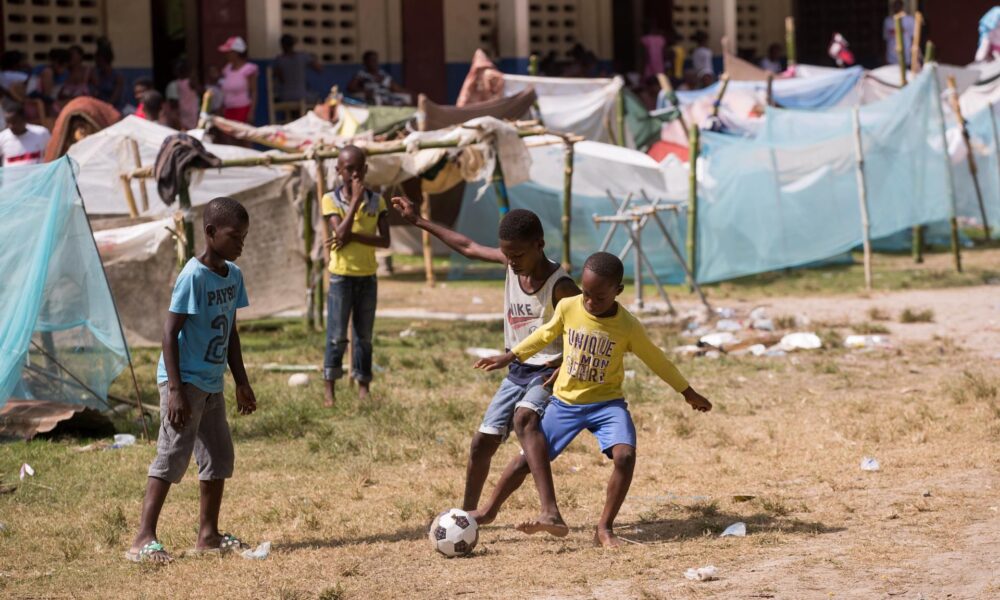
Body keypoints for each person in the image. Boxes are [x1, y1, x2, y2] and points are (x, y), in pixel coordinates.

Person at [472, 252, 712, 548]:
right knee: (526, 460)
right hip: (565, 403)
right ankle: (487, 510)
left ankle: (604, 528)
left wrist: (687, 391)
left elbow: (656, 359)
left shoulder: (628, 326)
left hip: (606, 404)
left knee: (625, 456)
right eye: (585, 293)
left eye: (599, 297)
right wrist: (509, 356)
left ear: (617, 291)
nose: (589, 301)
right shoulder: (569, 306)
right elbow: (544, 334)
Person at [391, 198, 580, 535]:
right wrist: (418, 220)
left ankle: (550, 511)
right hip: (518, 369)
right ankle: (466, 517)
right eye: (507, 255)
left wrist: (564, 366)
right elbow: (467, 246)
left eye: (518, 255)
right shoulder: (512, 264)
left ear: (539, 245)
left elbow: (582, 329)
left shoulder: (561, 286)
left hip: (548, 371)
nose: (511, 262)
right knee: (481, 443)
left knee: (525, 420)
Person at [126, 197, 257, 563]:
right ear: (211, 233)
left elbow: (230, 330)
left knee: (218, 456)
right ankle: (142, 537)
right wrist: (176, 392)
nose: (240, 245)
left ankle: (208, 535)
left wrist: (241, 381)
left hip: (212, 382)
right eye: (234, 236)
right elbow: (169, 334)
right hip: (183, 384)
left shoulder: (234, 275)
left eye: (244, 238)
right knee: (172, 456)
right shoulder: (192, 276)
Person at [321, 145, 390, 406]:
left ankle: (363, 386)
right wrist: (356, 202)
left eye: (357, 168)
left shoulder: (378, 201)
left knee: (364, 336)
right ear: (338, 170)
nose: (352, 174)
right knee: (337, 334)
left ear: (365, 169)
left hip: (367, 277)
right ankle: (330, 387)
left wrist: (351, 236)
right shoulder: (331, 199)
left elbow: (384, 240)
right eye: (347, 168)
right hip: (341, 277)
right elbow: (338, 234)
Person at [218, 36, 258, 123]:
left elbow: (254, 92)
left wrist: (251, 112)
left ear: (236, 53)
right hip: (228, 110)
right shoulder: (227, 69)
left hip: (243, 110)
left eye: (229, 52)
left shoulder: (249, 69)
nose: (226, 54)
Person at [273, 34, 320, 104]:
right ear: (293, 44)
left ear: (282, 45)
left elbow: (280, 79)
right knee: (316, 98)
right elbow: (319, 68)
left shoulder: (279, 60)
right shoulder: (302, 57)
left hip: (285, 96)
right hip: (302, 95)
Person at [166, 59, 202, 130]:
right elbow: (200, 90)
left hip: (185, 112)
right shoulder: (189, 83)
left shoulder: (179, 83)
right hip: (189, 113)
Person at [89, 39, 124, 109]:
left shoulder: (117, 76)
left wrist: (105, 108)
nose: (95, 63)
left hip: (112, 109)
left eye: (97, 60)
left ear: (102, 60)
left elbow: (115, 98)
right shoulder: (97, 75)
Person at [883, 0, 915, 66]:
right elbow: (886, 39)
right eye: (894, 6)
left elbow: (913, 38)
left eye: (898, 6)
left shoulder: (910, 20)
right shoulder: (888, 21)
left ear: (902, 7)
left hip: (906, 54)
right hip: (891, 55)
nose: (896, 8)